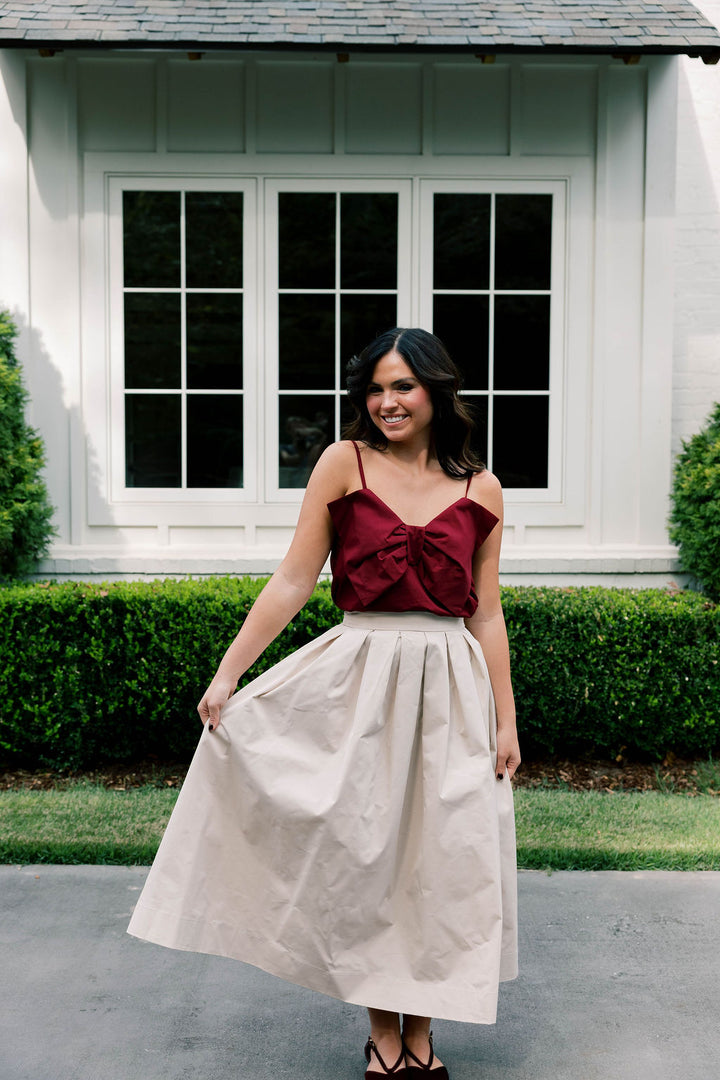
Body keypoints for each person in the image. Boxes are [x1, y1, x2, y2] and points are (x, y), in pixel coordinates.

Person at [128, 327, 521, 1078]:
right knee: (365, 858)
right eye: (374, 389)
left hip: (450, 687)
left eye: (402, 386)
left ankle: (422, 1035)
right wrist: (228, 674)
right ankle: (383, 1037)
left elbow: (488, 612)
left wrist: (506, 719)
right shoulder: (344, 463)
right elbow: (292, 578)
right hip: (358, 679)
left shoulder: (483, 488)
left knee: (439, 861)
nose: (386, 402)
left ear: (437, 391)